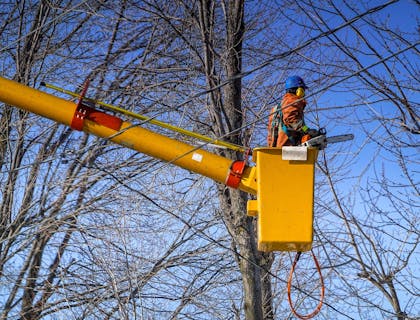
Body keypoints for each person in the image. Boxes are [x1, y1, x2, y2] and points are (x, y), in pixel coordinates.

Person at [268, 75, 319, 147]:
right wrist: (307, 130)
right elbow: (292, 120)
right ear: (299, 91)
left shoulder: (275, 109)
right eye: (303, 90)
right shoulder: (292, 100)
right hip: (288, 146)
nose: (304, 94)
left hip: (278, 148)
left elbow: (270, 135)